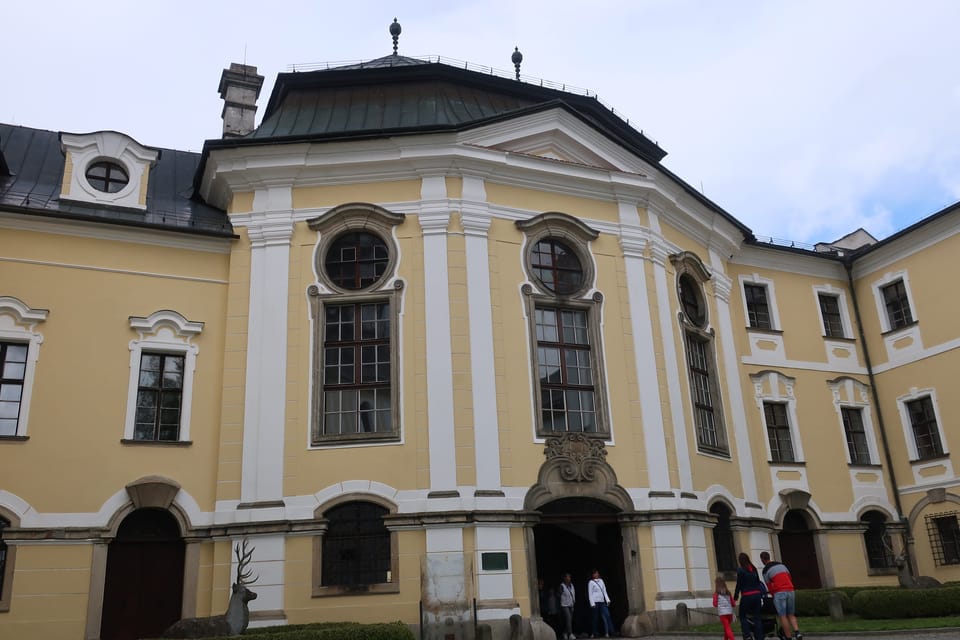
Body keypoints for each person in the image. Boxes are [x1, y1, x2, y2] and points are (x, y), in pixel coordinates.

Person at [760, 551, 802, 640]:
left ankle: (788, 637)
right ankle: (797, 632)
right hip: (790, 590)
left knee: (783, 616)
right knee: (791, 614)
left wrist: (773, 595)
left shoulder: (765, 570)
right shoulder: (781, 565)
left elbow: (769, 586)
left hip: (779, 592)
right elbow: (789, 577)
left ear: (762, 560)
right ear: (769, 557)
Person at [733, 553, 765, 640]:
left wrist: (735, 595)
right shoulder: (753, 568)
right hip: (757, 595)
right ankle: (759, 637)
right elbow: (758, 582)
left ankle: (747, 635)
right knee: (757, 617)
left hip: (747, 596)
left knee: (742, 616)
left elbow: (739, 584)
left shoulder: (741, 570)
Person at [587, 569, 614, 638]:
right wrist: (592, 603)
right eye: (595, 573)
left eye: (597, 573)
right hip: (595, 602)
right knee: (595, 618)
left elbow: (604, 591)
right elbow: (590, 594)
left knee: (606, 615)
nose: (596, 574)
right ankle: (593, 633)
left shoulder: (601, 581)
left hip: (602, 602)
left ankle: (608, 632)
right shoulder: (591, 582)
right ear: (592, 575)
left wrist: (607, 600)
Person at [713, 576, 736, 640]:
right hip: (730, 613)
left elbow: (715, 604)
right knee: (726, 628)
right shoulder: (728, 593)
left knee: (727, 629)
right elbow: (733, 604)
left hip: (723, 614)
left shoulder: (716, 594)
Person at [559, 572, 577, 640]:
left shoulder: (572, 585)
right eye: (567, 577)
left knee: (569, 620)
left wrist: (573, 604)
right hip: (564, 605)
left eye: (569, 577)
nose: (568, 578)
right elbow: (559, 595)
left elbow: (573, 594)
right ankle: (570, 634)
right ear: (564, 578)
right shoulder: (562, 586)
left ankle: (565, 633)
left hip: (571, 605)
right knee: (568, 618)